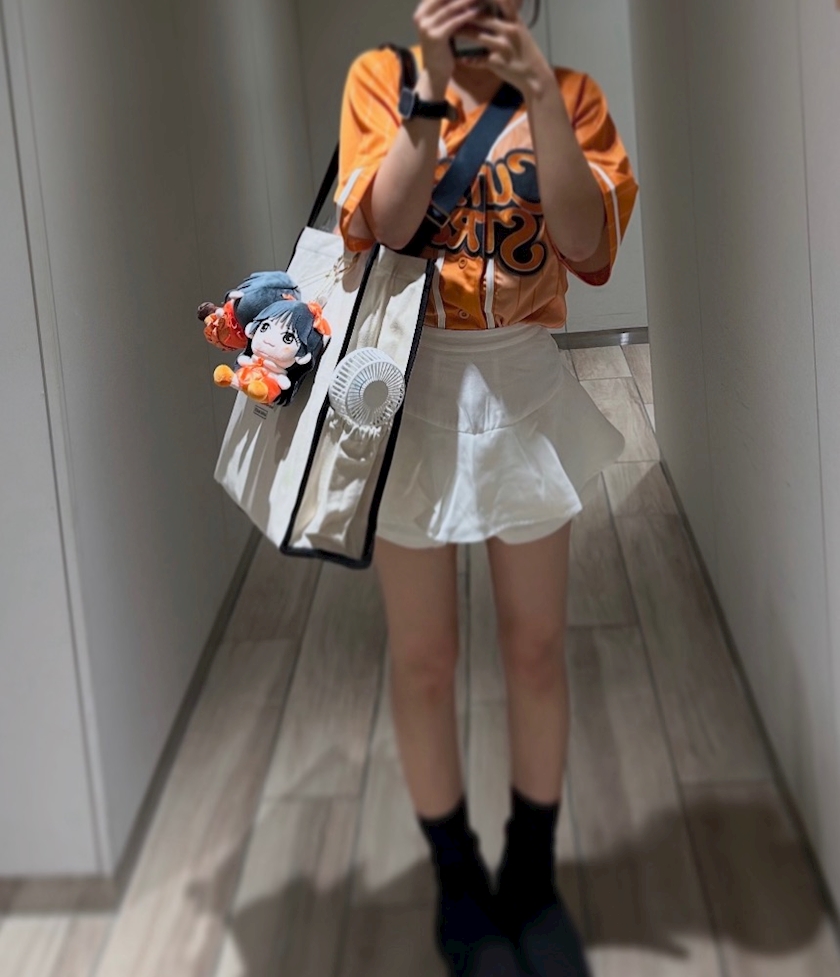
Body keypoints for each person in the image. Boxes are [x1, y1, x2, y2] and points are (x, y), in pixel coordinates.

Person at [334, 1, 638, 974]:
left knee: (537, 648)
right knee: (424, 659)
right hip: (407, 383)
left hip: (523, 384)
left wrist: (541, 93)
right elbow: (387, 226)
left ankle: (532, 876)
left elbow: (586, 245)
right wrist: (429, 89)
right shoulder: (381, 80)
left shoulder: (573, 94)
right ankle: (457, 878)